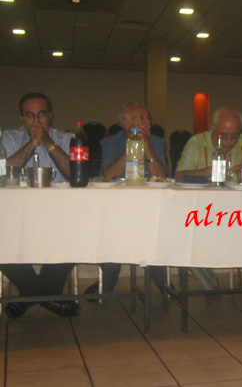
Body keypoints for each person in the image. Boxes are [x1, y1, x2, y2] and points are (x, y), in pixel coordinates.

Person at [175, 107, 242, 306]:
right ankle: (210, 285)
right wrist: (210, 171)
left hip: (241, 213)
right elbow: (178, 176)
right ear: (213, 128)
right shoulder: (196, 142)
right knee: (180, 237)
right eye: (223, 136)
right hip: (203, 213)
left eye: (234, 136)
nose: (228, 142)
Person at [0, 92, 80, 319]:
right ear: (21, 118)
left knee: (80, 234)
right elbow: (2, 173)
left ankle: (28, 296)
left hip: (58, 215)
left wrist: (47, 143)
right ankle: (46, 297)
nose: (36, 121)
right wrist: (33, 143)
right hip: (16, 216)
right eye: (30, 115)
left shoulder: (65, 138)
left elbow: (76, 175)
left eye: (41, 114)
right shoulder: (8, 138)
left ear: (50, 115)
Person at [85, 102, 169, 297]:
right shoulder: (110, 142)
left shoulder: (157, 142)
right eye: (142, 118)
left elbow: (161, 176)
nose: (148, 121)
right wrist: (132, 144)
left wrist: (146, 145)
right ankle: (108, 280)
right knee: (113, 231)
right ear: (126, 124)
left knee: (157, 231)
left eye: (148, 117)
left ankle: (162, 282)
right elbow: (108, 175)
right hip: (118, 206)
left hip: (149, 206)